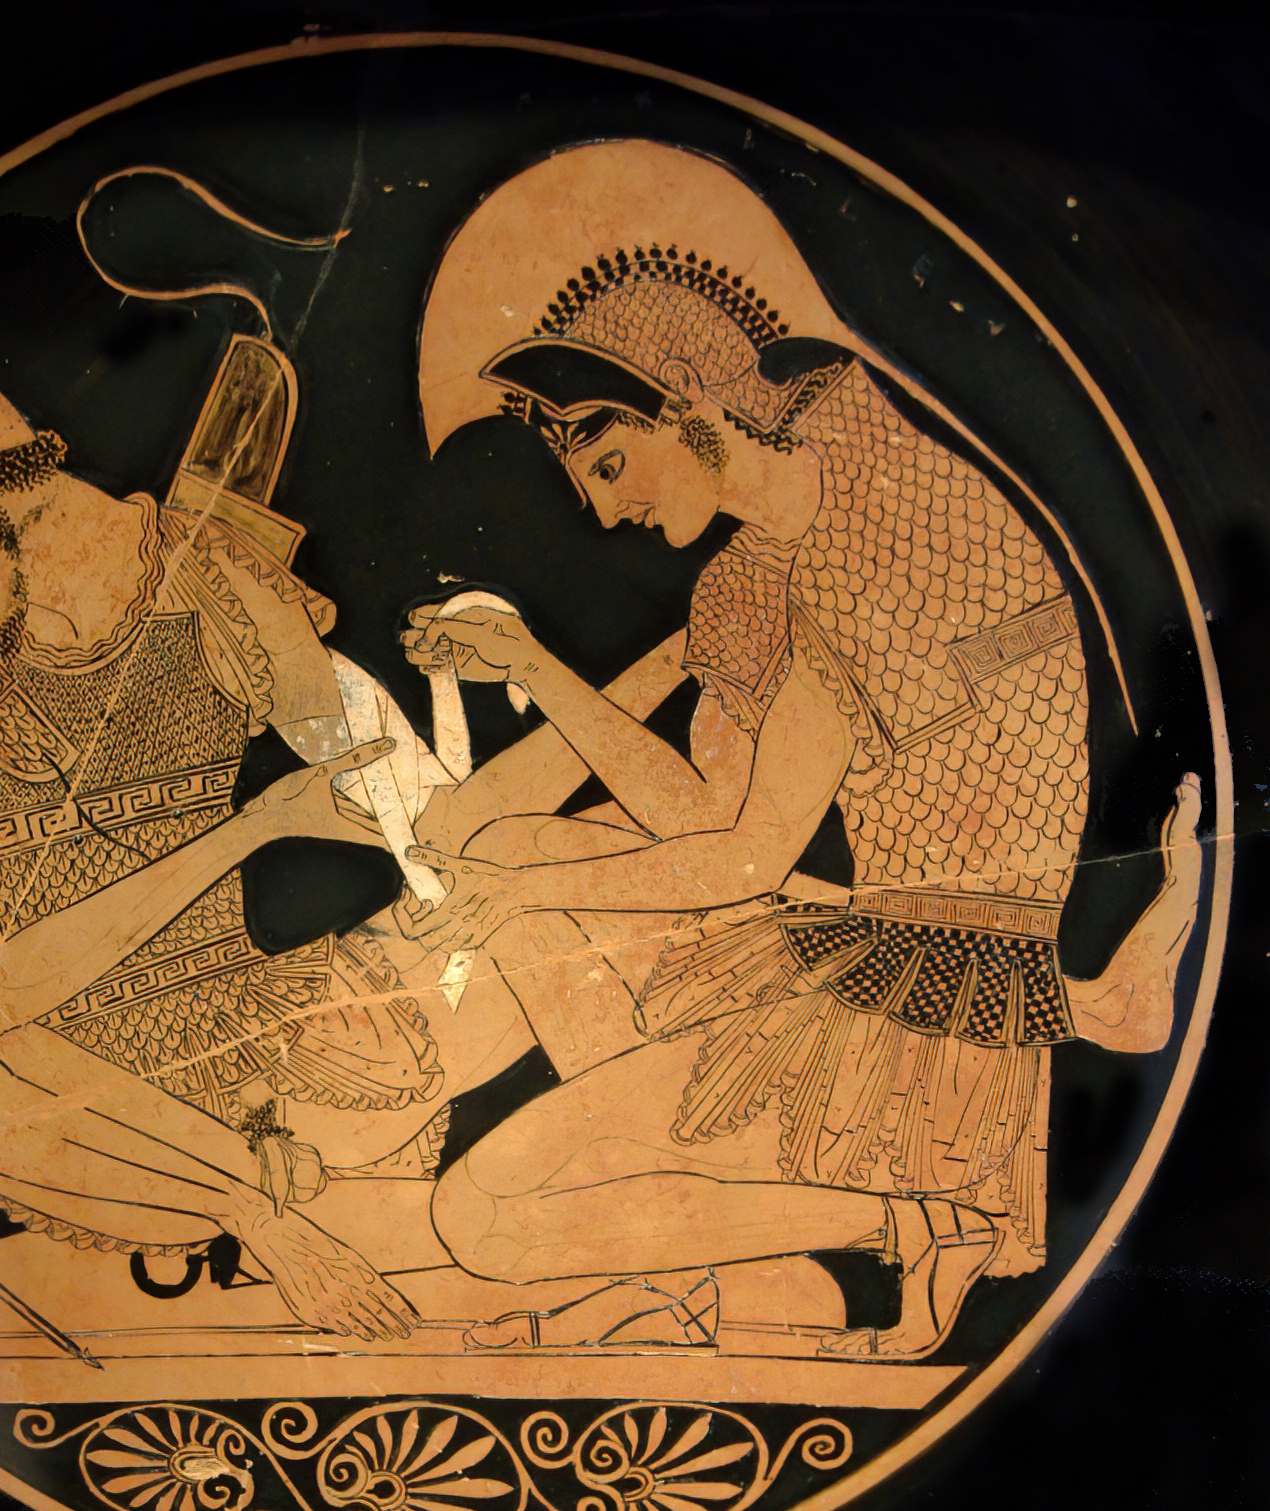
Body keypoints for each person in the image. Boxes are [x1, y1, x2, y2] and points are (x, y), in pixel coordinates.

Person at [399, 141, 1202, 1358]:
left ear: (689, 398)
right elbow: (711, 817)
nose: (605, 509)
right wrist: (539, 671)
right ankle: (820, 1238)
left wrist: (517, 884)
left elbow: (744, 856)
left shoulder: (892, 531)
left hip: (926, 1020)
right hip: (891, 969)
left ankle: (915, 1208)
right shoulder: (803, 542)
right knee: (522, 872)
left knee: (484, 1211)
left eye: (610, 462)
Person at [0, 361, 590, 1341]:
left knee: (577, 858)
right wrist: (253, 827)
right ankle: (257, 1218)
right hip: (95, 1130)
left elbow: (385, 786)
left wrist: (520, 674)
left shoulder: (201, 568)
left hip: (286, 1057)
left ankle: (326, 1207)